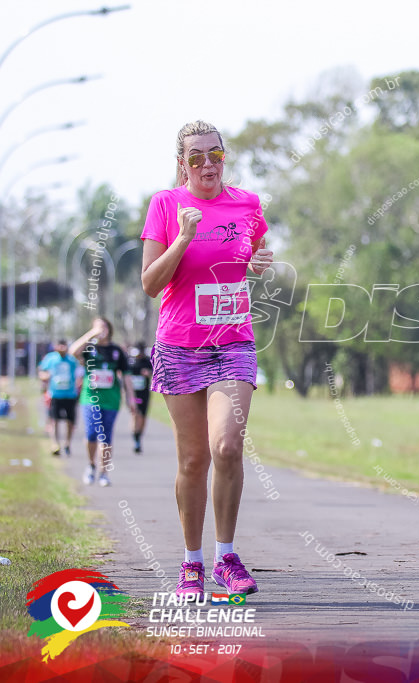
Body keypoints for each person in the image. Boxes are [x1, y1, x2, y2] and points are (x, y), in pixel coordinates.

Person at [141, 120, 273, 598]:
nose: (206, 165)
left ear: (224, 156)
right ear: (182, 163)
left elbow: (255, 251)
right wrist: (181, 238)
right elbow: (151, 284)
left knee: (227, 447)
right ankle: (191, 563)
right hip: (179, 345)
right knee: (194, 459)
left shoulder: (248, 204)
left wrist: (260, 261)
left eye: (214, 154)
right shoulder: (166, 204)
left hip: (233, 341)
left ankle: (226, 558)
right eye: (195, 157)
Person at [69, 318, 135, 487]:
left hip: (111, 400)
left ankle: (104, 472)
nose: (101, 329)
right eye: (98, 326)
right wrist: (92, 334)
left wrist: (131, 398)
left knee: (105, 437)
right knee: (91, 435)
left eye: (104, 326)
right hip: (90, 398)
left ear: (110, 329)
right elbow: (72, 352)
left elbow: (126, 375)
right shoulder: (89, 349)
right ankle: (91, 466)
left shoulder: (116, 351)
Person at [37, 339, 80, 456]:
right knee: (54, 420)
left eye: (64, 346)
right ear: (56, 346)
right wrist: (45, 376)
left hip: (70, 395)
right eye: (59, 346)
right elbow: (41, 371)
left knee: (70, 422)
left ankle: (67, 444)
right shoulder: (50, 358)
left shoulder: (72, 360)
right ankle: (55, 444)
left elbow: (80, 373)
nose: (61, 348)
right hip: (55, 394)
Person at [126, 342, 153, 454]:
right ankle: (135, 439)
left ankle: (139, 436)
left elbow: (154, 372)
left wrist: (149, 373)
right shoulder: (130, 361)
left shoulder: (147, 361)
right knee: (135, 414)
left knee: (142, 417)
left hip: (144, 394)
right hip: (133, 394)